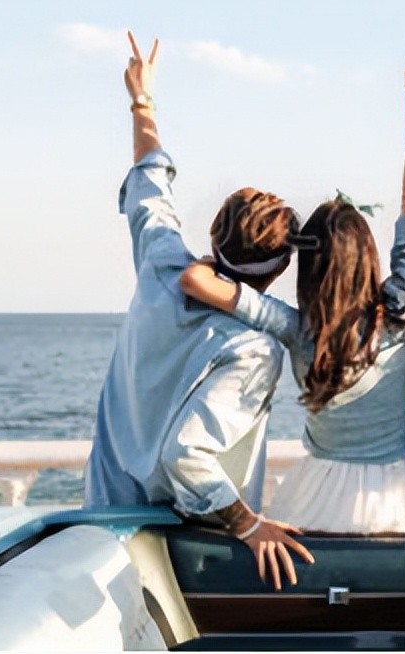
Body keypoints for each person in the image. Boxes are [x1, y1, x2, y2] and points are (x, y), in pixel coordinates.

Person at [177, 47, 405, 533]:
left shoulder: (297, 329)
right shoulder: (402, 308)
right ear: (368, 254)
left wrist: (218, 258)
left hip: (318, 491)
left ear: (308, 268)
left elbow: (194, 280)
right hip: (393, 494)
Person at [84, 31, 314, 589]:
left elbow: (150, 180)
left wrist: (142, 100)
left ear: (214, 234)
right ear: (280, 268)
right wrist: (247, 524)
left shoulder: (160, 265)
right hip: (179, 556)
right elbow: (186, 454)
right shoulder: (255, 350)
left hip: (98, 528)